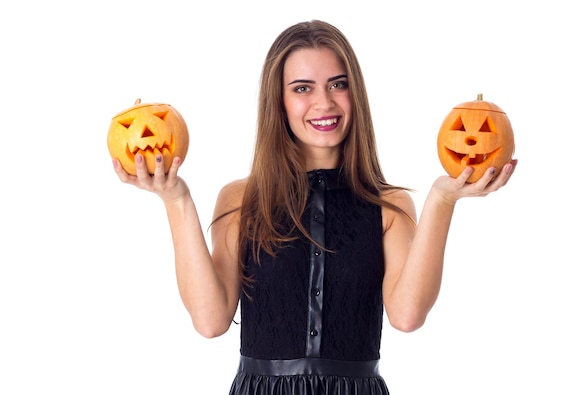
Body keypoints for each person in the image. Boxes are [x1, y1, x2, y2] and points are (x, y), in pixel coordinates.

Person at [113, 19, 516, 395]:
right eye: (302, 88)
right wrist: (176, 199)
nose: (323, 103)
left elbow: (407, 316)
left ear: (354, 93)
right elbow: (210, 320)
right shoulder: (241, 200)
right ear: (280, 101)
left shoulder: (390, 205)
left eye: (337, 84)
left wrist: (442, 200)